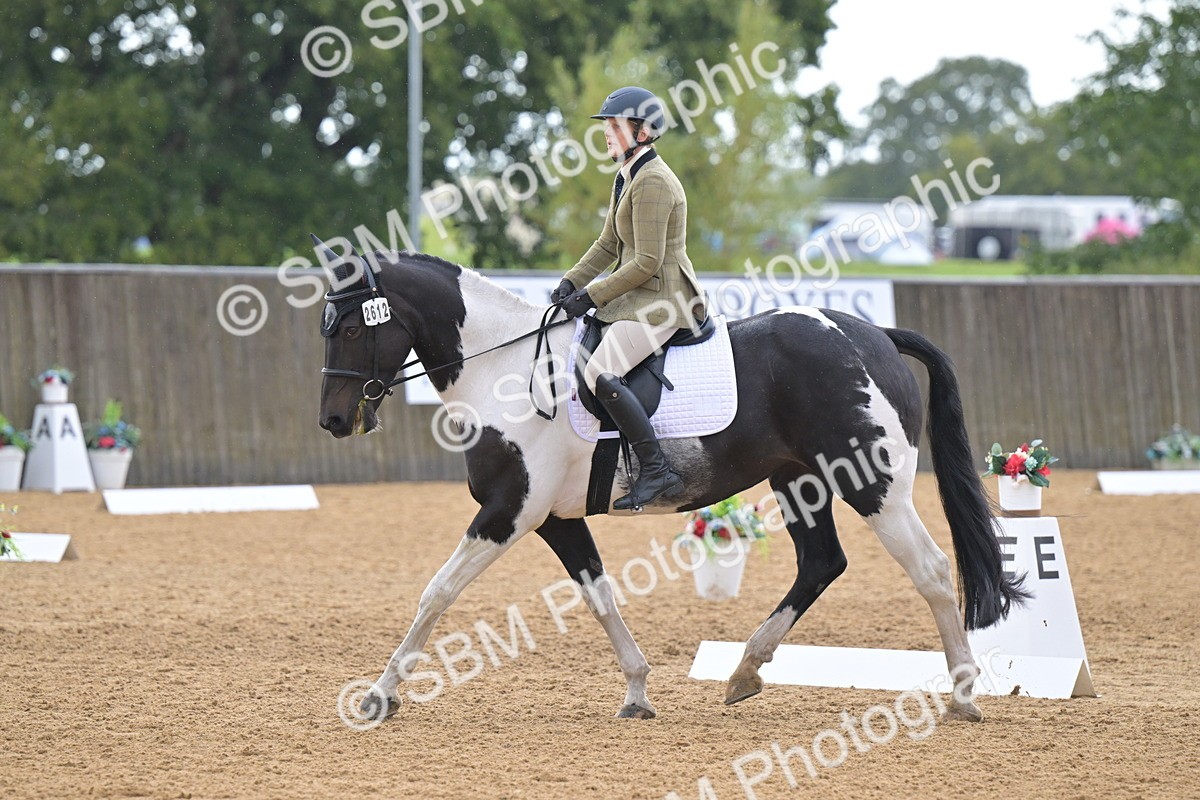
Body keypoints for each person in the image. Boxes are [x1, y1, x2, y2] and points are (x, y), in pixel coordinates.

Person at [550, 86, 707, 511]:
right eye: (606, 125)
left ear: (642, 131)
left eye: (614, 125)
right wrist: (571, 281)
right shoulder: (627, 174)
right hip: (639, 295)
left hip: (665, 299)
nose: (605, 133)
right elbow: (607, 243)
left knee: (599, 371)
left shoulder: (653, 181)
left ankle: (656, 470)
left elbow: (648, 262)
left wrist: (591, 295)